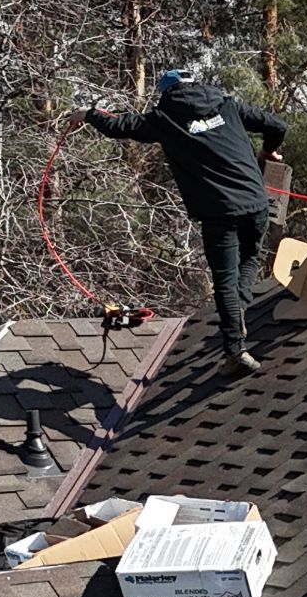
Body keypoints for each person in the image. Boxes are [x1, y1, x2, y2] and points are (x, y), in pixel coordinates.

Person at [86, 69, 288, 374]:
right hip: (255, 201)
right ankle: (238, 310)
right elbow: (277, 125)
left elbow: (120, 125)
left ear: (165, 94)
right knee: (249, 259)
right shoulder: (227, 104)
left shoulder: (165, 119)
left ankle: (235, 350)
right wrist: (268, 149)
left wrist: (88, 114)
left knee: (224, 279)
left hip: (219, 211)